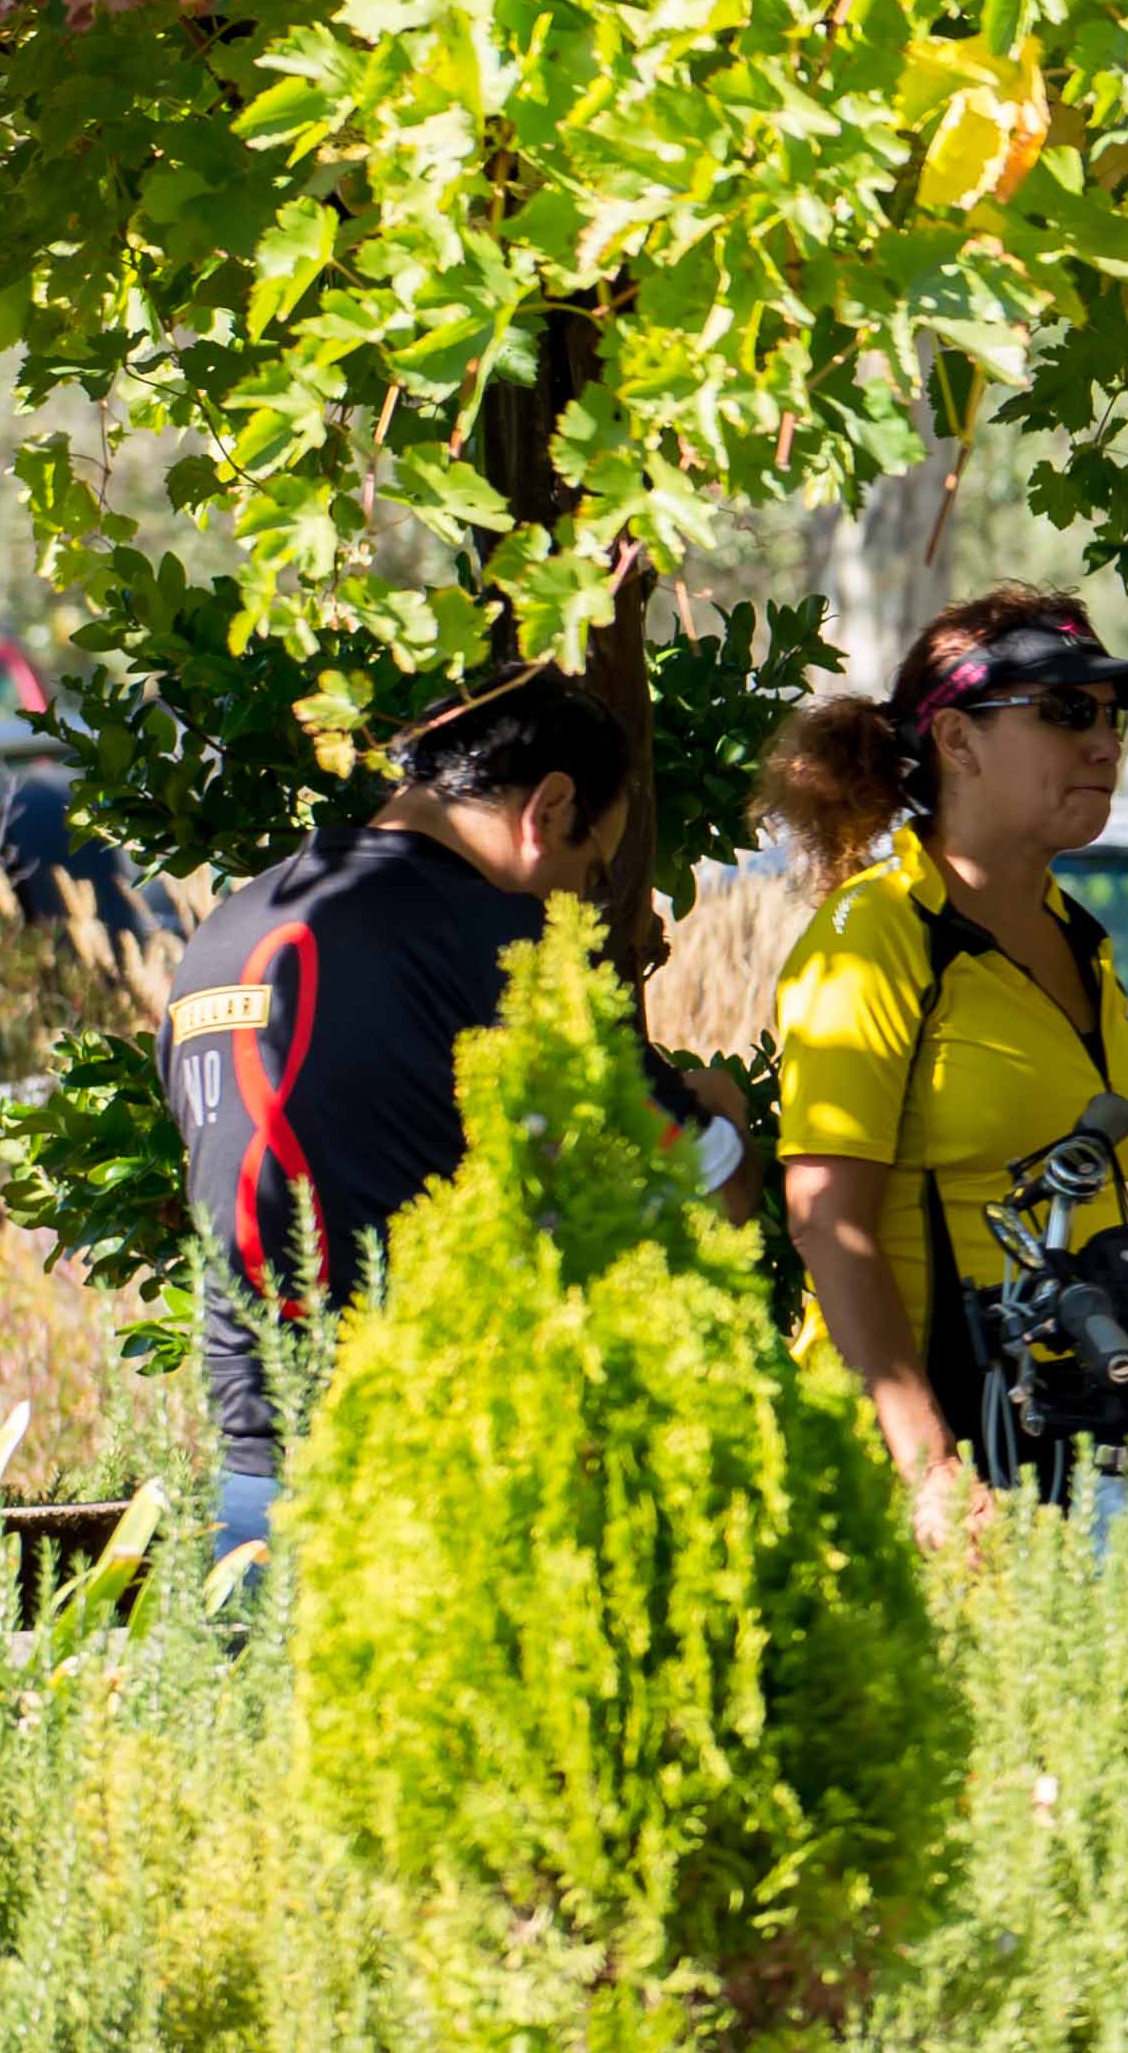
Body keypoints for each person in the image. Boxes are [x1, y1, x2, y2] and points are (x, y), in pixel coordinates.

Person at [163, 668, 736, 1574]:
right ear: (547, 807)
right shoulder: (495, 940)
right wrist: (721, 1113)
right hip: (423, 1464)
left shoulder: (223, 934)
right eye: (588, 872)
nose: (577, 904)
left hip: (250, 1468)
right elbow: (702, 1177)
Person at [769, 593, 1128, 1529]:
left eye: (1110, 717)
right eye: (1065, 711)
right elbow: (826, 1224)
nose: (1104, 744)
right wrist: (927, 1470)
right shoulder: (872, 934)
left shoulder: (1081, 938)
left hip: (1067, 1438)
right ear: (956, 740)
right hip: (918, 1466)